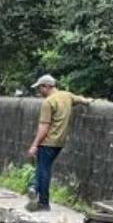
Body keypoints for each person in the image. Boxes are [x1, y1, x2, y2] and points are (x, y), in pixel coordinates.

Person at [25, 74, 96, 212]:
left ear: (46, 86)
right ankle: (33, 187)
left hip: (47, 141)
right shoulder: (66, 96)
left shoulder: (48, 102)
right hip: (60, 142)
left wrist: (34, 145)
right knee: (42, 167)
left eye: (40, 88)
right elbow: (80, 100)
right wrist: (88, 101)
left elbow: (44, 126)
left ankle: (42, 201)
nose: (39, 91)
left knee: (43, 169)